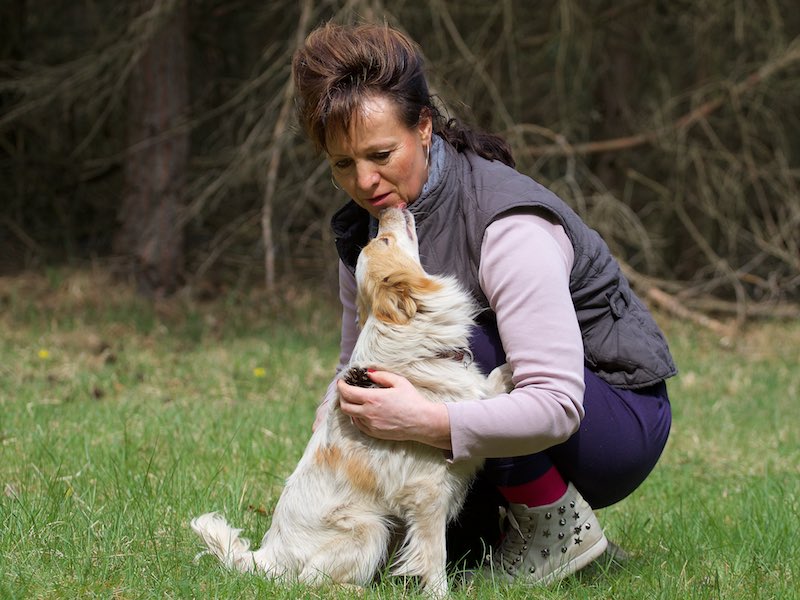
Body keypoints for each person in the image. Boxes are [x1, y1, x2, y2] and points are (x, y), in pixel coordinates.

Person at [291, 22, 676, 586]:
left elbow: (557, 402)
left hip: (609, 420)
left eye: (380, 154)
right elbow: (360, 365)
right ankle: (504, 525)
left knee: (451, 334)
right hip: (496, 405)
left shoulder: (507, 225)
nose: (365, 182)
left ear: (424, 127)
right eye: (342, 165)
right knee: (450, 552)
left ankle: (555, 526)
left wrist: (428, 421)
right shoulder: (362, 234)